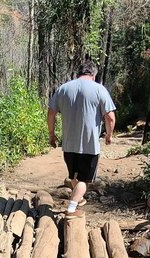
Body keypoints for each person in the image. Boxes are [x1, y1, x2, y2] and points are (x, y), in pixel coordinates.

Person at [47, 60, 116, 217]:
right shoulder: (99, 89)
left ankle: (79, 198)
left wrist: (52, 135)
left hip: (69, 144)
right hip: (89, 145)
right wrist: (109, 134)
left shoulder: (63, 89)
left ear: (78, 73)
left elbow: (51, 113)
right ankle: (71, 208)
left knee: (74, 176)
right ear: (93, 74)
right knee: (84, 180)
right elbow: (110, 117)